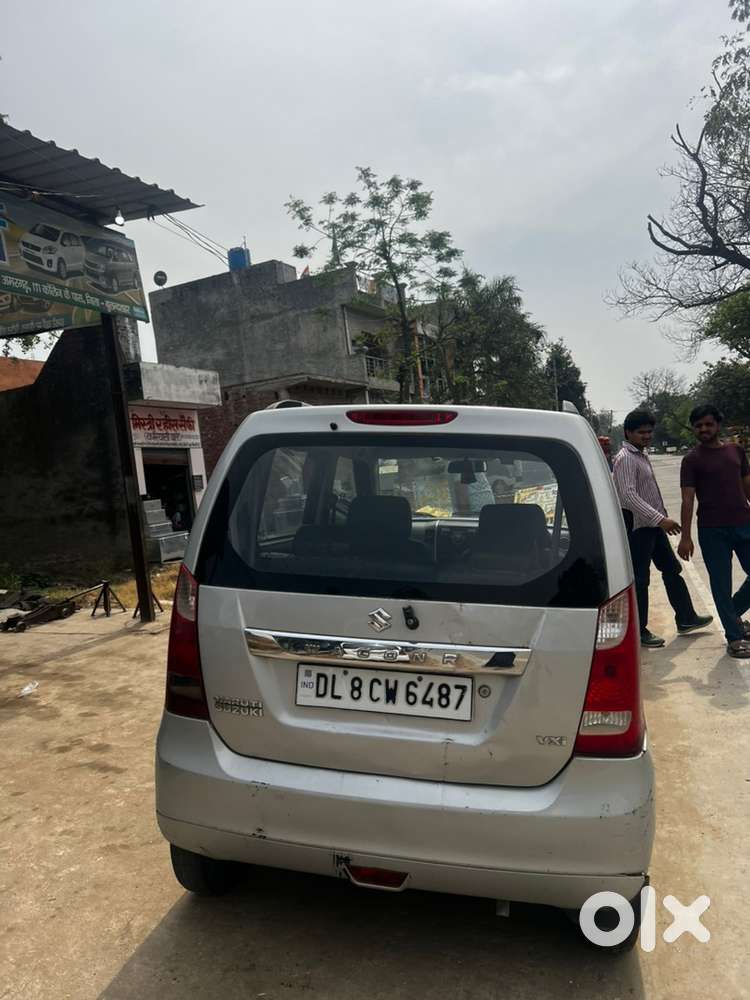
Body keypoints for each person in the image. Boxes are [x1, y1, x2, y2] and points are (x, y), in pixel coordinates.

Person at [613, 409, 712, 648]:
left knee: (671, 569)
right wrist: (660, 519)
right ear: (628, 432)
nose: (646, 436)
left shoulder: (641, 455)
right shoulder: (626, 458)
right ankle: (639, 630)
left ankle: (686, 617)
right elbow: (627, 496)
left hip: (653, 526)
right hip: (639, 528)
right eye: (641, 432)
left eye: (649, 431)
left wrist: (659, 520)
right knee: (641, 579)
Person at [677, 403, 750, 659]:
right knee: (721, 584)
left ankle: (733, 616)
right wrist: (685, 537)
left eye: (708, 424)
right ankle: (735, 637)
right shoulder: (691, 460)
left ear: (718, 425)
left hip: (744, 523)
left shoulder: (737, 451)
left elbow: (746, 485)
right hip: (711, 530)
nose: (704, 429)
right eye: (698, 426)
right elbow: (687, 499)